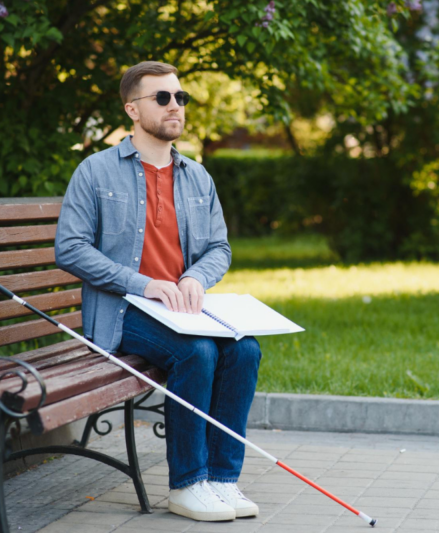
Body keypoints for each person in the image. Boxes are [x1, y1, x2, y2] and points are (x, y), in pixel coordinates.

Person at [55, 61, 262, 522]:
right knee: (199, 354)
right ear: (132, 109)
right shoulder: (95, 172)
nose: (176, 106)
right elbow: (69, 249)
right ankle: (187, 485)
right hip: (125, 311)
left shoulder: (197, 177)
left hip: (184, 308)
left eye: (181, 97)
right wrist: (143, 284)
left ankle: (222, 480)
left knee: (245, 350)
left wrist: (194, 279)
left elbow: (218, 248)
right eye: (163, 98)